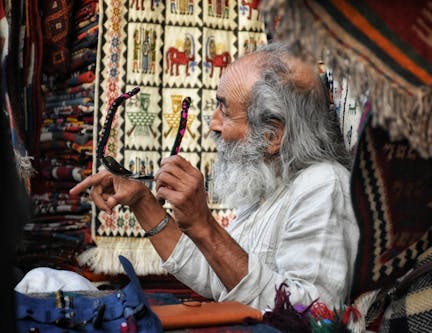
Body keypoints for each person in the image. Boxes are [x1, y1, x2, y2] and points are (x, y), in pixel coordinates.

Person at [70, 42, 359, 310]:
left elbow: (312, 314)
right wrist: (142, 202)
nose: (213, 124)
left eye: (225, 110)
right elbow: (217, 277)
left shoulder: (323, 185)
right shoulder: (269, 187)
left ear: (272, 135)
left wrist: (204, 224)